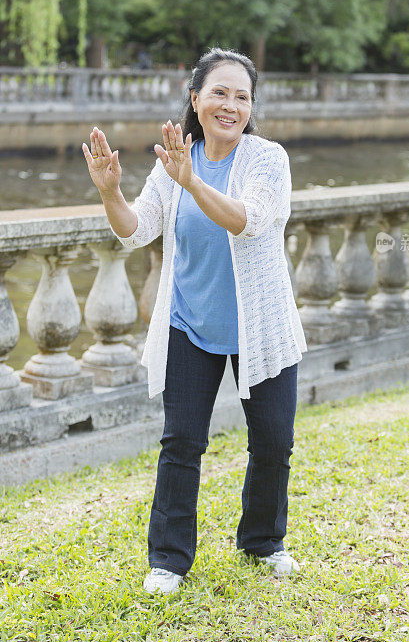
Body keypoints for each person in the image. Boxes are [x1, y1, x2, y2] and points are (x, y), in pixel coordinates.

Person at [81, 47, 308, 594]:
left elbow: (249, 221)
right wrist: (111, 192)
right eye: (220, 93)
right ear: (196, 99)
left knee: (274, 441)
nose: (231, 105)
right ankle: (168, 559)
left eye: (242, 96)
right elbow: (134, 231)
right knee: (181, 441)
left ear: (251, 107)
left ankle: (262, 540)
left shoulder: (266, 160)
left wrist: (193, 183)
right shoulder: (175, 163)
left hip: (261, 327)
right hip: (190, 323)